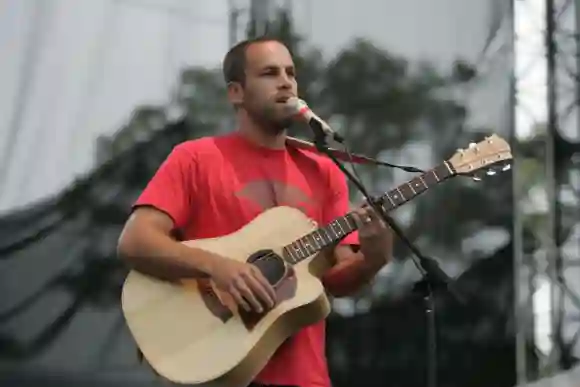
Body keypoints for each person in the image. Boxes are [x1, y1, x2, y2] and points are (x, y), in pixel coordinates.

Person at [117, 36, 393, 387]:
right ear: (236, 93)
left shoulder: (323, 172)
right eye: (269, 73)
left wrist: (374, 258)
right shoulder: (195, 158)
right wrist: (219, 268)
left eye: (291, 73)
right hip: (211, 366)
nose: (286, 82)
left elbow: (337, 281)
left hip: (304, 378)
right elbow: (135, 242)